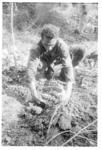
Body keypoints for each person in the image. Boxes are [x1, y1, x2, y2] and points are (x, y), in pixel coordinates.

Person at [27, 24, 74, 106]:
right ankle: (41, 80)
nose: (48, 48)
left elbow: (68, 67)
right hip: (44, 60)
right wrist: (34, 93)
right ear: (41, 39)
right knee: (39, 68)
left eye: (51, 45)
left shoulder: (62, 46)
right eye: (46, 45)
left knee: (63, 71)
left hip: (56, 60)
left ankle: (59, 78)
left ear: (56, 40)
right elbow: (31, 68)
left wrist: (68, 94)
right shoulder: (36, 48)